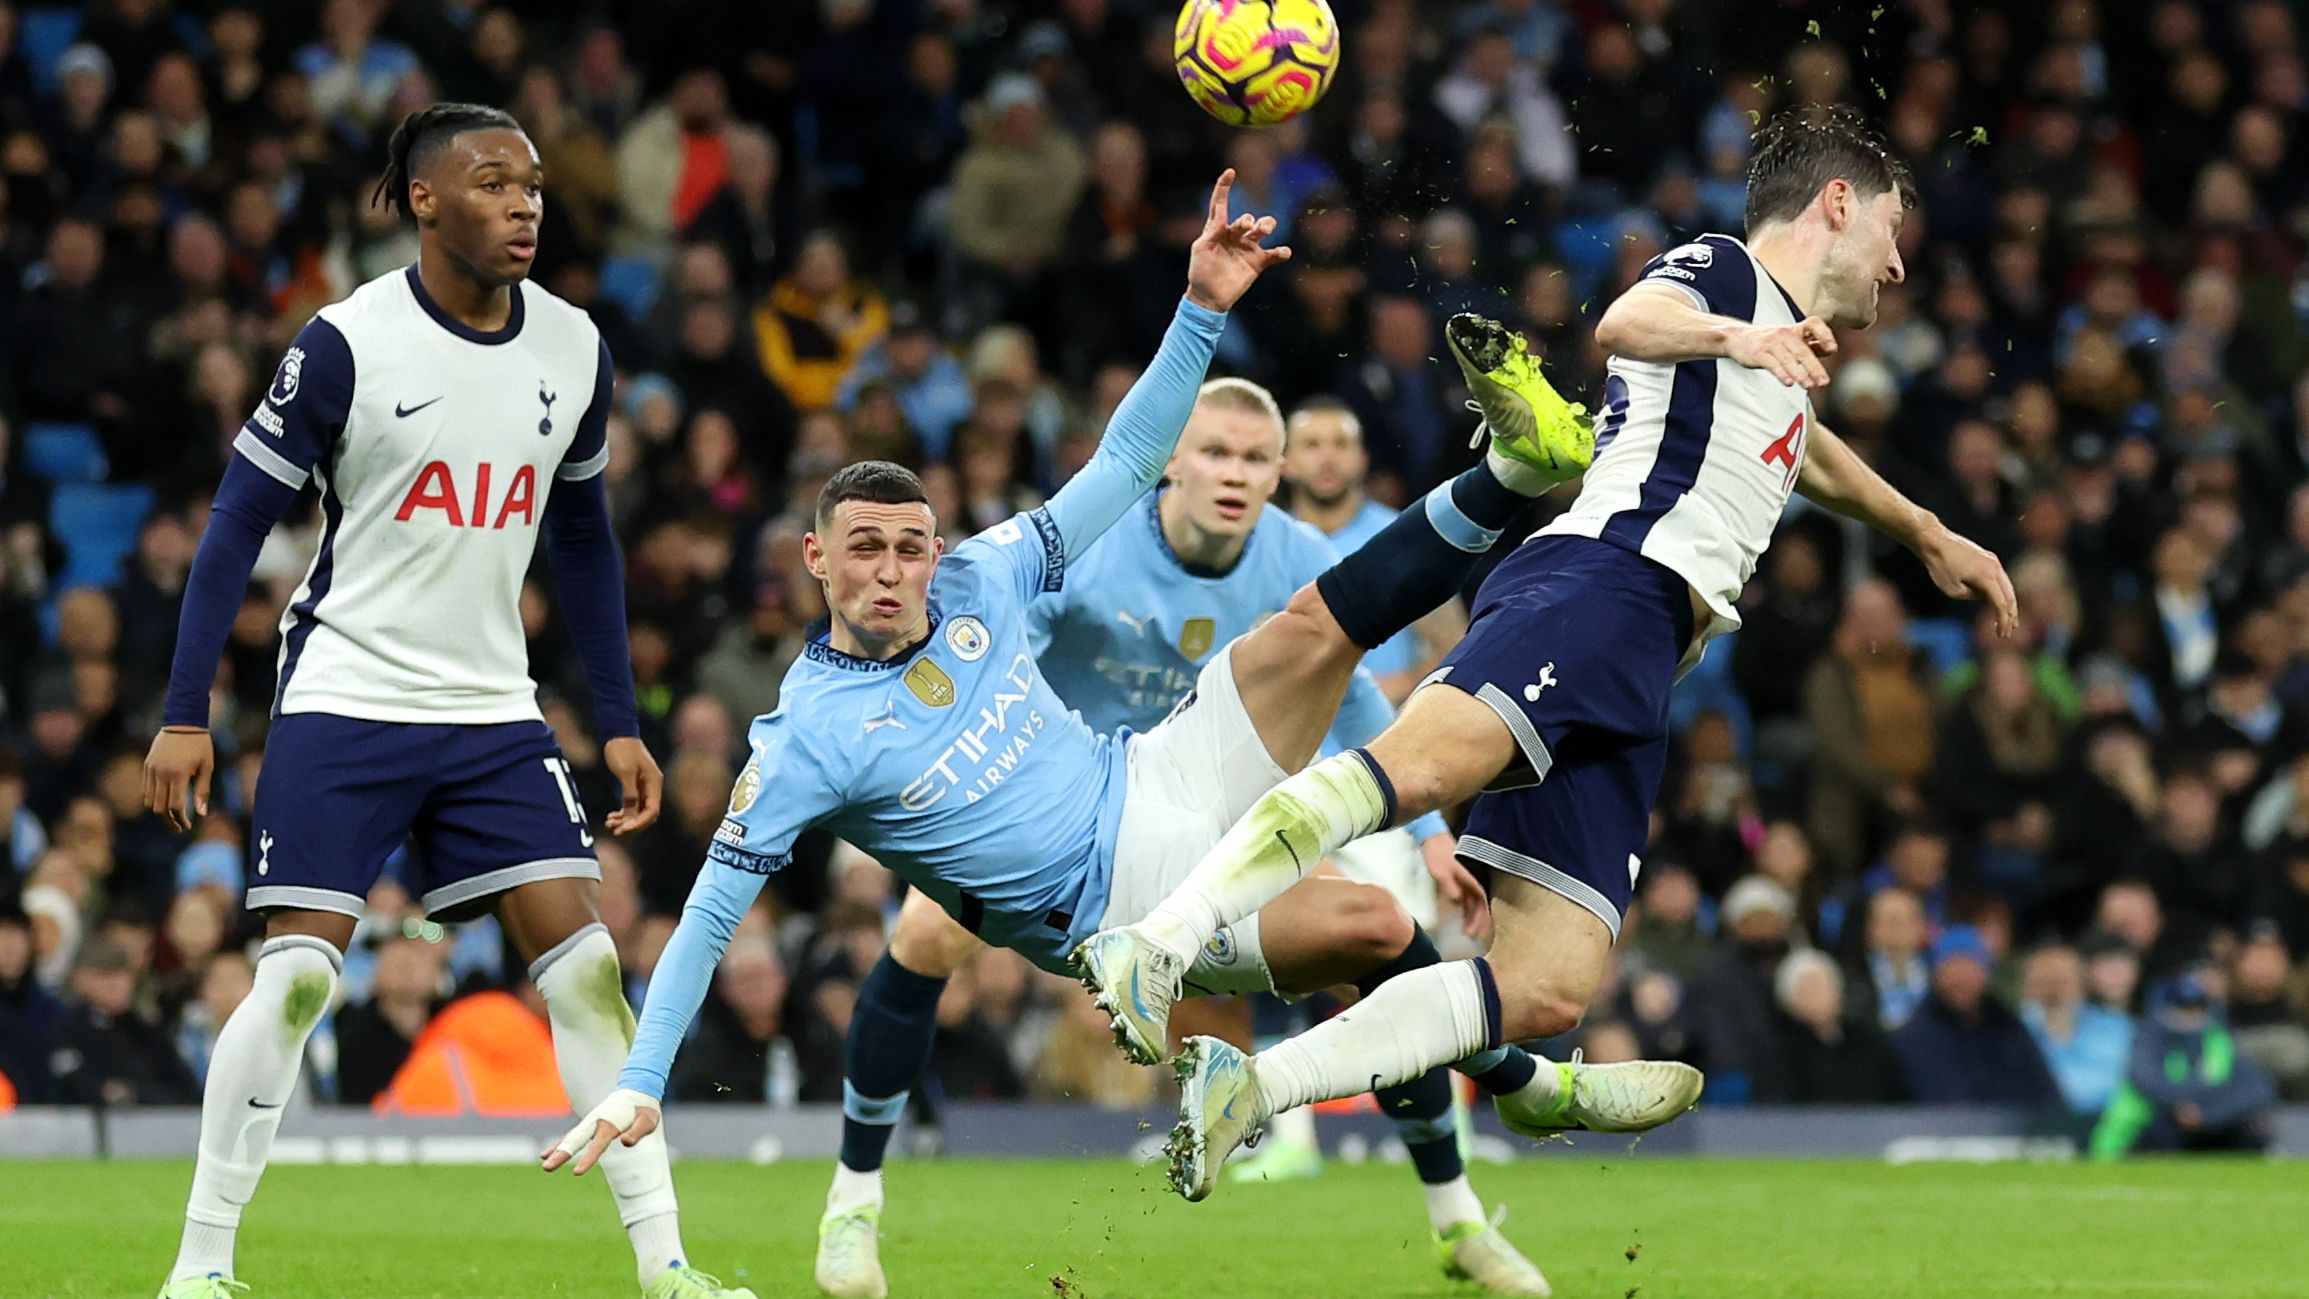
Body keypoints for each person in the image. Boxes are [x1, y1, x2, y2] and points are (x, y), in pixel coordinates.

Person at [545, 172, 1587, 1289]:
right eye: (864, 551)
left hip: (1151, 767)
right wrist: (645, 1074)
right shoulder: (805, 740)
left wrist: (1201, 302)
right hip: (1121, 903)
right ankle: (854, 1203)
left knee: (1306, 627)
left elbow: (1126, 465)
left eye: (910, 547)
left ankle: (1507, 473)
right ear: (815, 561)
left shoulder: (982, 577)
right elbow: (710, 909)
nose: (894, 572)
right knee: (1375, 928)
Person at [1074, 106, 2020, 1198]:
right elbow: (1623, 320)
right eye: (1891, 230)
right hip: (1597, 584)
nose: (1898, 264)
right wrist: (1735, 336)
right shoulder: (1721, 274)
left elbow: (1805, 450)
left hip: (1644, 662)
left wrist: (1925, 531)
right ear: (1837, 203)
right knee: (1416, 770)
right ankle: (1160, 939)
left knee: (1544, 991)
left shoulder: (1778, 359)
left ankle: (1253, 1090)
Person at [141, 105, 747, 1299]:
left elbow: (582, 536)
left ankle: (667, 1268)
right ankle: (200, 1268)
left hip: (490, 710)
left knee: (584, 971)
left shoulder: (575, 347)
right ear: (423, 201)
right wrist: (182, 711)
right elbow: (232, 525)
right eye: (491, 183)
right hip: (347, 694)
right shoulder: (345, 343)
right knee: (302, 977)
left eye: (530, 184)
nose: (525, 203)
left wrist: (618, 717)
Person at [822, 377, 1542, 1296]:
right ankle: (852, 1205)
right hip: (1060, 819)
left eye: (1251, 459)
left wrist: (1432, 829)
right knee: (923, 932)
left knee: (1379, 931)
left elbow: (1354, 691)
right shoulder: (1098, 550)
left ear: (1279, 473)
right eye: (1212, 452)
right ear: (1171, 461)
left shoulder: (1295, 551)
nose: (1232, 474)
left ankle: (1458, 1219)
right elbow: (990, 646)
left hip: (1212, 817)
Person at [1282, 397, 1470, 702]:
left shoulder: (1406, 537)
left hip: (1387, 732)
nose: (1327, 457)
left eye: (1341, 443)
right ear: (1286, 462)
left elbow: (1455, 645)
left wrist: (1400, 686)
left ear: (1362, 459)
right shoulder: (1267, 541)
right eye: (1312, 445)